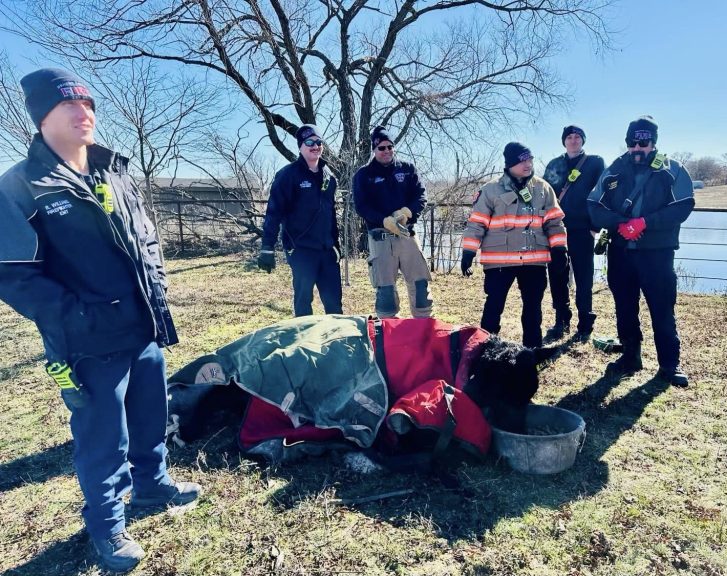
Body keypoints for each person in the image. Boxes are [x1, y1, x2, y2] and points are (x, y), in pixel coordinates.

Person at [0, 68, 200, 572]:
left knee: (151, 414)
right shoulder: (21, 186)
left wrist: (158, 287)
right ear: (42, 116)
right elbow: (14, 275)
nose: (82, 112)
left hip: (142, 325)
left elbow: (146, 237)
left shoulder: (113, 170)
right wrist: (77, 317)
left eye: (87, 104)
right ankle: (107, 524)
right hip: (88, 340)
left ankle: (152, 486)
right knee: (103, 436)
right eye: (68, 105)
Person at [167, 315, 557, 463]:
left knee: (287, 354)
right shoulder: (463, 360)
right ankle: (202, 396)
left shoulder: (470, 346)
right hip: (359, 349)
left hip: (360, 336)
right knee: (283, 361)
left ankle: (221, 392)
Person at [588, 116, 694, 387]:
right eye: (632, 142)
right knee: (624, 307)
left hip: (657, 253)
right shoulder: (614, 169)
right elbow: (593, 206)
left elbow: (684, 205)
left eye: (643, 142)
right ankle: (630, 356)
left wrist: (645, 223)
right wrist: (620, 223)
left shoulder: (672, 169)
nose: (637, 147)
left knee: (662, 309)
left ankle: (669, 365)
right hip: (621, 252)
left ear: (653, 142)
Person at [461, 142, 567, 348]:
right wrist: (468, 251)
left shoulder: (544, 188)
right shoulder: (490, 190)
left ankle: (532, 351)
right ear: (510, 164)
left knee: (533, 310)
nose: (527, 164)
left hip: (534, 261)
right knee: (493, 308)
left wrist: (559, 248)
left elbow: (555, 222)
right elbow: (477, 223)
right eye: (522, 161)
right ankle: (486, 350)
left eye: (530, 159)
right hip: (499, 262)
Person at [257, 124, 343, 316]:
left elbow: (330, 215)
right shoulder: (288, 176)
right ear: (300, 146)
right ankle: (304, 342)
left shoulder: (329, 177)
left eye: (318, 142)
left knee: (334, 304)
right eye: (309, 142)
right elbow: (273, 213)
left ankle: (337, 343)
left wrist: (336, 245)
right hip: (301, 250)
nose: (315, 146)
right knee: (304, 303)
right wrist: (267, 248)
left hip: (327, 251)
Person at [353, 125, 433, 318]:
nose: (387, 150)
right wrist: (383, 220)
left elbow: (421, 196)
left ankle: (424, 328)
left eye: (390, 146)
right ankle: (389, 334)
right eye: (381, 147)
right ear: (374, 149)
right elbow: (361, 206)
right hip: (381, 238)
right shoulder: (363, 175)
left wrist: (408, 212)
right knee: (385, 292)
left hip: (407, 235)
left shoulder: (407, 169)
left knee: (420, 286)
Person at [542, 125, 605, 341]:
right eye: (569, 137)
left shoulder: (595, 163)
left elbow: (602, 195)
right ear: (564, 141)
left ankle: (585, 322)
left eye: (578, 136)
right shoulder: (554, 164)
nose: (573, 140)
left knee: (584, 277)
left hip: (583, 230)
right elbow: (544, 195)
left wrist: (595, 227)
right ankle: (561, 320)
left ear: (583, 140)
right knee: (557, 275)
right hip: (556, 229)